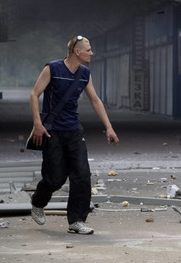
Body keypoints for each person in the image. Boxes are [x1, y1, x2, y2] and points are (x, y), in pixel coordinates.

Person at [29, 35, 120, 235]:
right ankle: (38, 202)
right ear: (77, 52)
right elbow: (34, 94)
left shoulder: (85, 73)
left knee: (82, 176)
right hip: (52, 131)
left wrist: (109, 127)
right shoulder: (52, 68)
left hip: (74, 131)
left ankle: (76, 220)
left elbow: (95, 100)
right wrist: (37, 123)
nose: (92, 53)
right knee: (55, 179)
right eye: (88, 50)